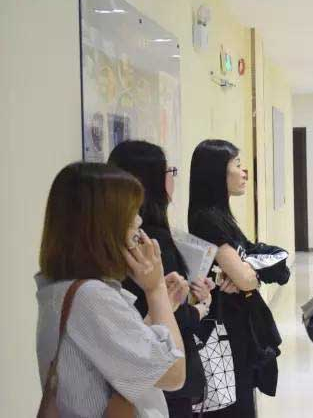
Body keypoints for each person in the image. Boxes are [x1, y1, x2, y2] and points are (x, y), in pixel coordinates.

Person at [35, 162, 186, 417]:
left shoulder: (61, 288)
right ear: (104, 224)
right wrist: (156, 289)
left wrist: (160, 309)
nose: (139, 221)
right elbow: (173, 374)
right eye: (131, 213)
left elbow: (116, 351)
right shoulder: (91, 297)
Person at [109, 141, 214, 417]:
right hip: (163, 375)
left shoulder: (117, 244)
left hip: (141, 374)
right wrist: (200, 309)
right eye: (169, 171)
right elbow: (167, 315)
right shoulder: (153, 244)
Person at [188, 139, 260, 417]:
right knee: (233, 403)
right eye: (238, 165)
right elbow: (245, 279)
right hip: (224, 325)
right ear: (217, 173)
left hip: (235, 320)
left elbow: (246, 273)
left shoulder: (220, 216)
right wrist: (250, 273)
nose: (244, 173)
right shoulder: (207, 219)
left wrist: (248, 272)